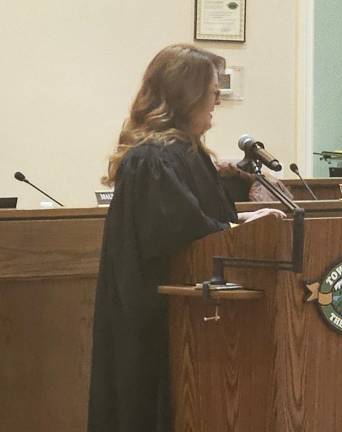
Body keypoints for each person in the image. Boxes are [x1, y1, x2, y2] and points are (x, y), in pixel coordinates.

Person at [87, 44, 283, 432]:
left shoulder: (185, 152)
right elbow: (177, 233)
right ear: (186, 94)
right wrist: (237, 229)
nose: (217, 100)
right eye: (212, 91)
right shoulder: (153, 159)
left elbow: (201, 220)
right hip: (157, 319)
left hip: (190, 320)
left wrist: (242, 221)